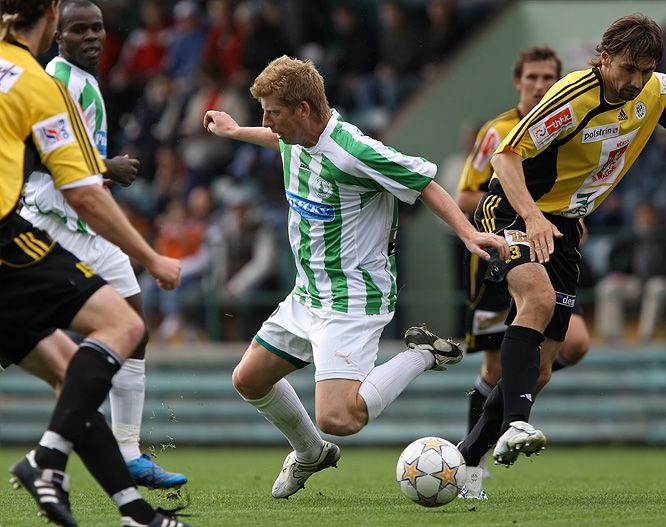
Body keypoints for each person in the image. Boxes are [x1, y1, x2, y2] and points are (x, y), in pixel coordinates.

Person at [204, 55, 509, 499]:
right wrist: (235, 133)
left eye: (273, 112)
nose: (266, 121)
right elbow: (279, 141)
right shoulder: (295, 136)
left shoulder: (353, 150)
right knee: (248, 379)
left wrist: (467, 234)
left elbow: (424, 181)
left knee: (340, 419)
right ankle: (311, 454)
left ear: (304, 109)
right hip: (308, 294)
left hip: (354, 298)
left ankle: (421, 354)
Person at [0, 2, 189, 526]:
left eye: (97, 28)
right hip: (37, 227)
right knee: (120, 327)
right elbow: (79, 187)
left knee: (77, 369)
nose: (89, 36)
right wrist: (150, 255)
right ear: (52, 18)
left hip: (36, 228)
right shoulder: (45, 83)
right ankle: (48, 459)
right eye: (76, 26)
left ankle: (134, 511)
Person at [456, 14, 665, 479]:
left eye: (646, 70)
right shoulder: (571, 97)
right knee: (539, 298)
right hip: (512, 209)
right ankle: (514, 425)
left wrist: (560, 218)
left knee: (542, 371)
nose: (636, 81)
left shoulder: (654, 90)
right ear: (604, 57)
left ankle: (463, 460)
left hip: (565, 227)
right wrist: (532, 217)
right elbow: (503, 157)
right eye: (628, 68)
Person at [455, 45, 590, 496]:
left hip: (549, 247)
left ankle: (508, 408)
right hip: (499, 257)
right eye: (531, 77)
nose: (539, 85)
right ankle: (472, 469)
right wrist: (526, 207)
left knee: (558, 357)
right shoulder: (498, 132)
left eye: (547, 77)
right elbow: (467, 199)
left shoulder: (565, 126)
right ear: (518, 81)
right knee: (494, 369)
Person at [595, 200, 666, 343]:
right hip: (633, 283)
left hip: (656, 281)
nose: (644, 219)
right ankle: (613, 339)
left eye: (648, 215)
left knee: (657, 287)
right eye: (641, 215)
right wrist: (616, 272)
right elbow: (612, 256)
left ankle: (646, 338)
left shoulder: (662, 236)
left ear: (655, 218)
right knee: (607, 287)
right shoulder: (628, 236)